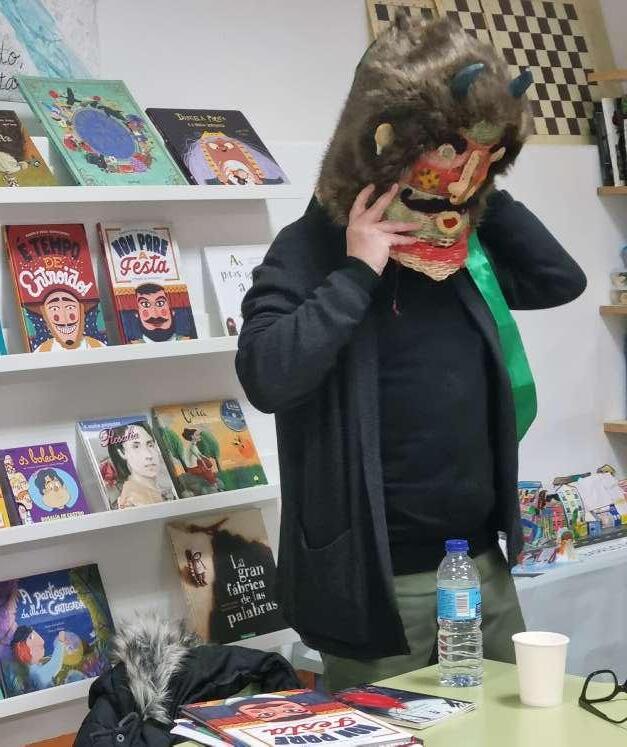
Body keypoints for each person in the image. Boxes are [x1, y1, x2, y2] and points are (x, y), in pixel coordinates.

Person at [235, 16, 587, 691]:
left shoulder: (459, 248)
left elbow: (558, 279)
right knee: (390, 733)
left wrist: (482, 189)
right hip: (376, 580)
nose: (457, 172)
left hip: (480, 562)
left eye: (479, 155)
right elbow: (267, 376)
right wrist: (356, 272)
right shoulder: (311, 247)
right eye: (446, 150)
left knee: (514, 732)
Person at [107, 421, 173, 509]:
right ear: (122, 453)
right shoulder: (131, 500)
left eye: (150, 445)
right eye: (136, 447)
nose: (149, 455)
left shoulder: (162, 489)